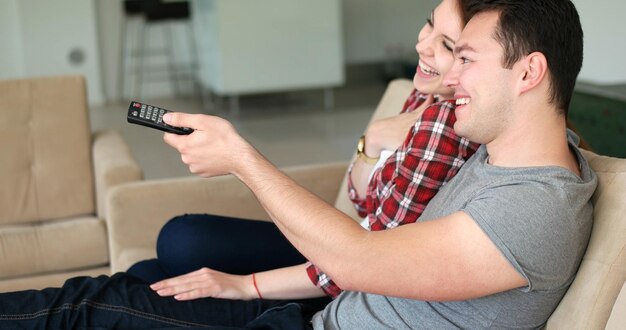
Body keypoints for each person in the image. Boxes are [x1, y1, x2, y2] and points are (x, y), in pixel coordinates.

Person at [0, 0, 597, 329]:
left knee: (88, 311)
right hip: (314, 317)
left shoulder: (533, 206)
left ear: (528, 72)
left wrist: (241, 158)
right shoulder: (514, 156)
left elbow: (359, 257)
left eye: (464, 58)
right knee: (116, 293)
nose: (449, 76)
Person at [127, 0, 480, 304]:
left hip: (346, 275)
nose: (422, 46)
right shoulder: (425, 95)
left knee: (181, 241)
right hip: (342, 243)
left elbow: (363, 262)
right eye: (429, 23)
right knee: (152, 266)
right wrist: (372, 139)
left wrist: (245, 287)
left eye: (447, 46)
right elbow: (362, 203)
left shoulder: (442, 124)